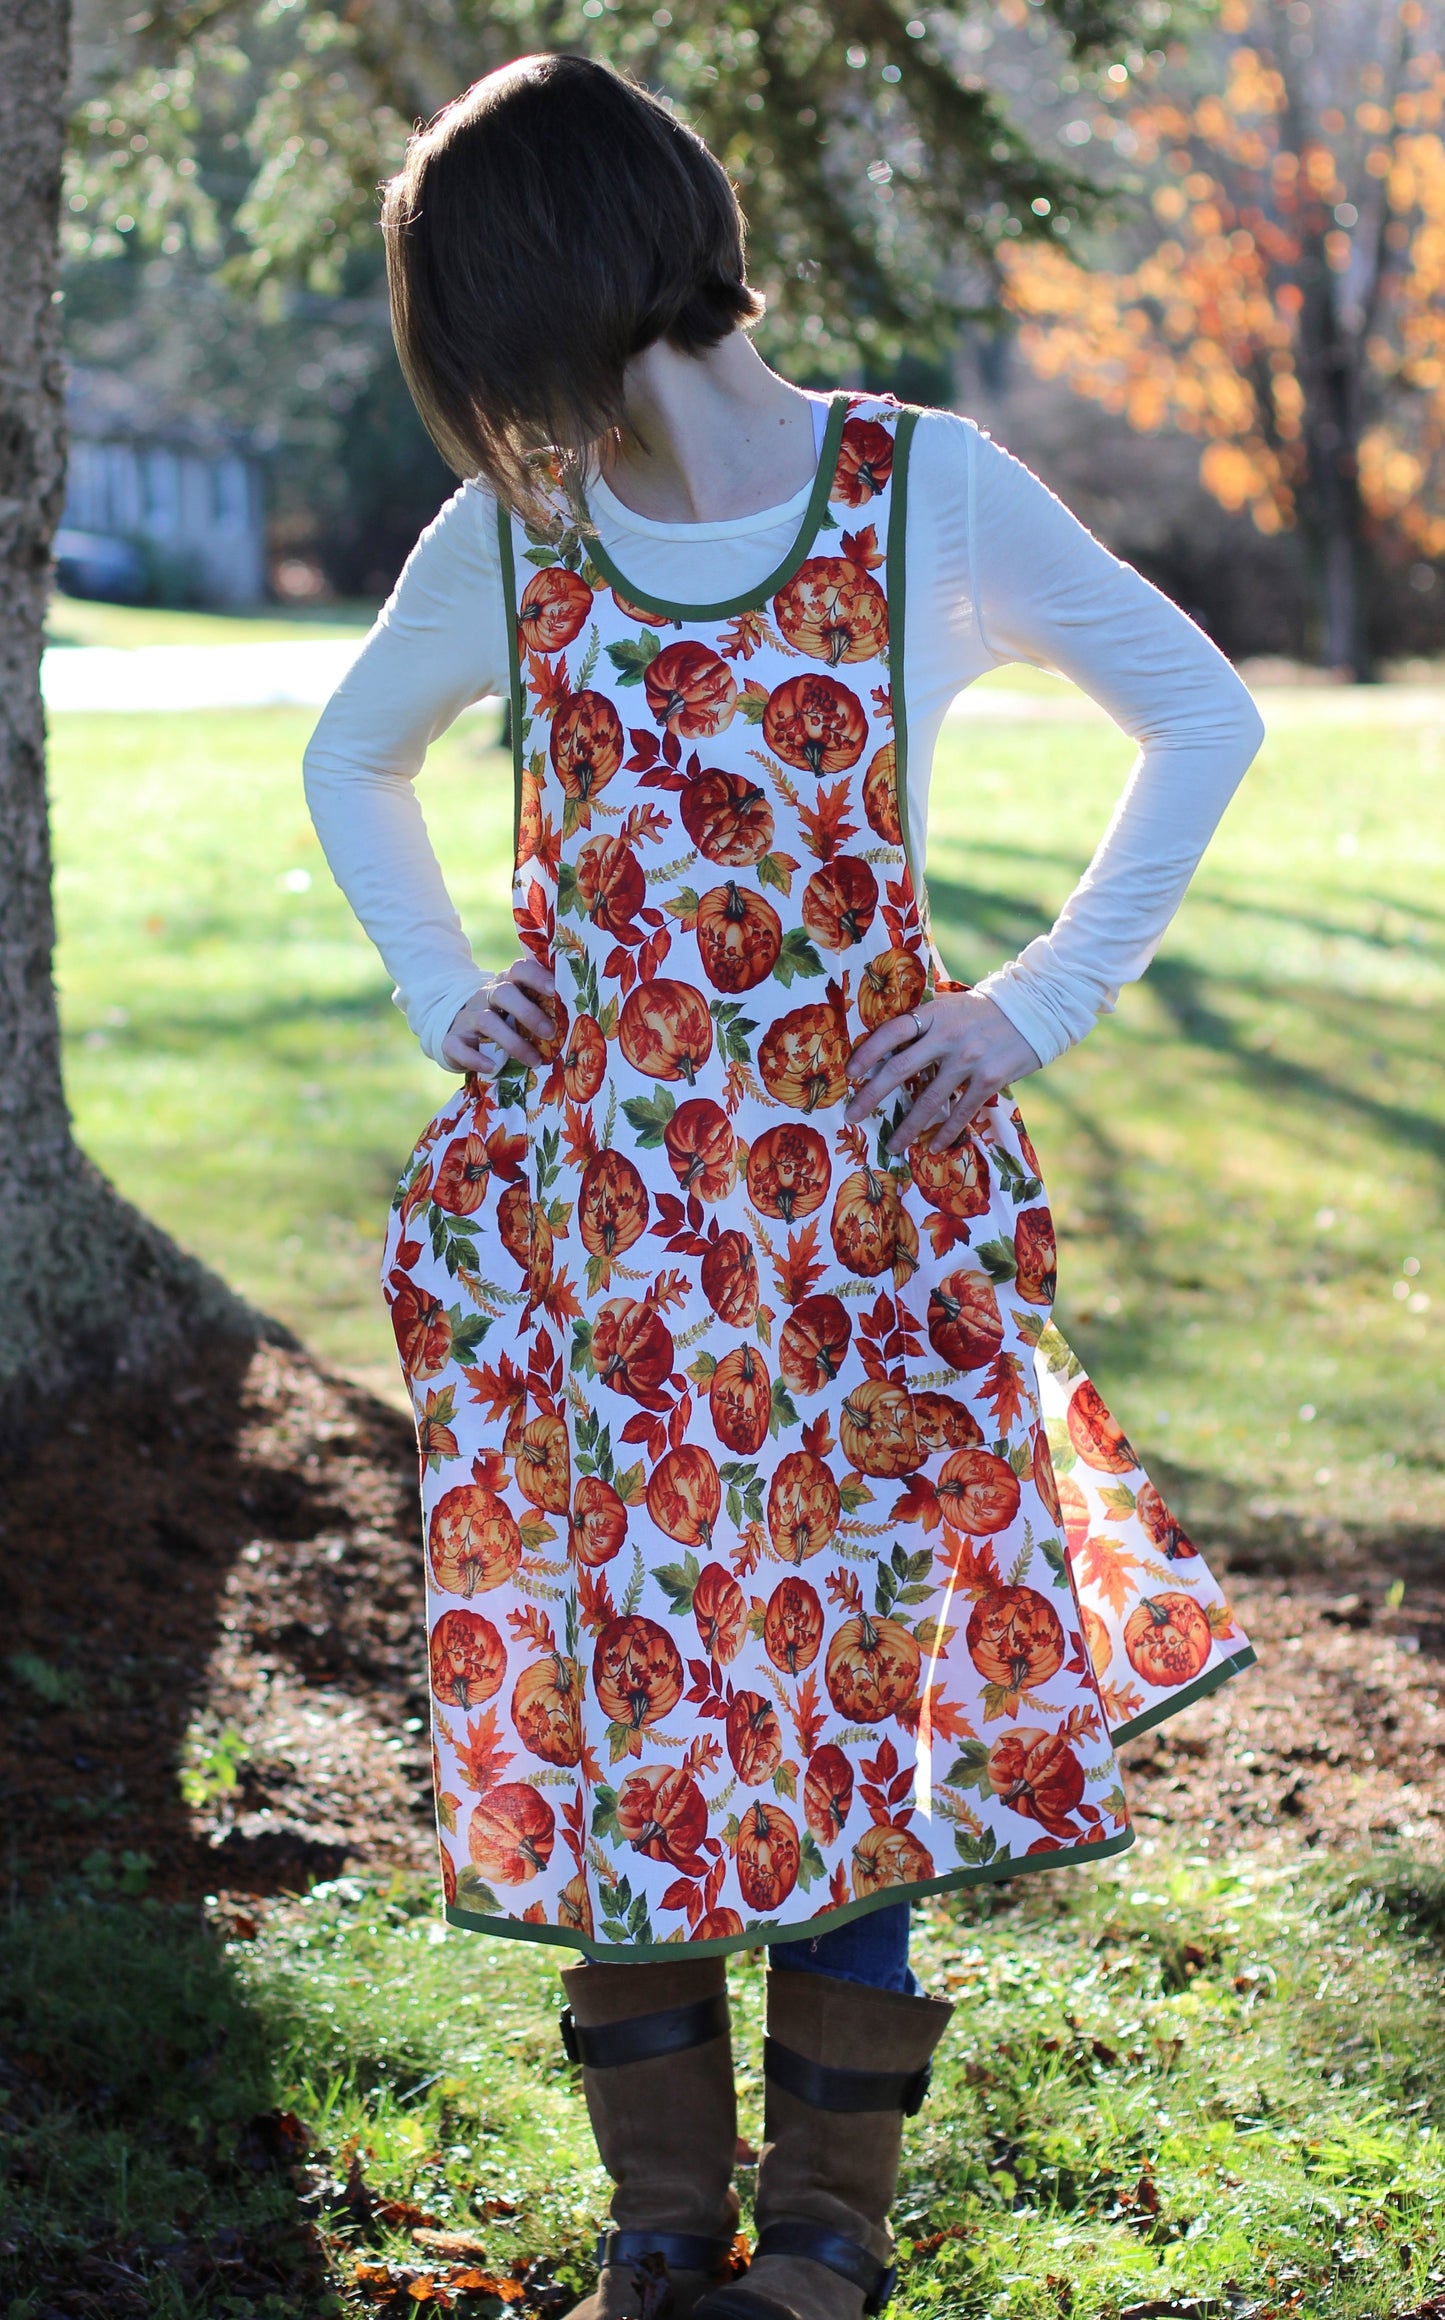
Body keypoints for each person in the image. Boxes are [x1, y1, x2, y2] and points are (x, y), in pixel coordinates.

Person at [304, 51, 1263, 2320]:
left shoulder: (926, 493)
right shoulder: (522, 532)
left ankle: (825, 2231)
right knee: (625, 1689)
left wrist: (1025, 1009)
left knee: (849, 1678)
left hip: (854, 1238)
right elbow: (357, 752)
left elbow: (1200, 717)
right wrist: (449, 981)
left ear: (539, 289)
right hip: (606, 1249)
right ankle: (666, 2223)